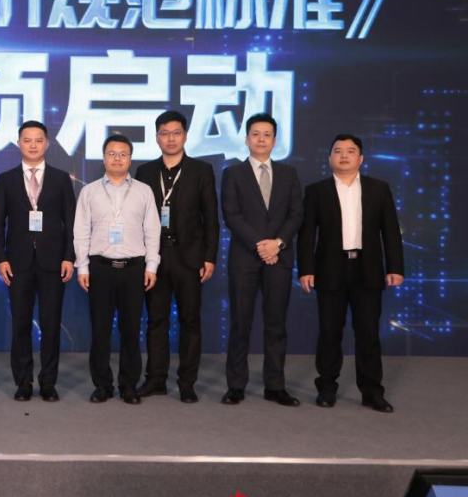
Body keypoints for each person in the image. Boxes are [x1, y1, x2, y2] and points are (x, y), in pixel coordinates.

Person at [298, 134, 403, 413]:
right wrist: (306, 269)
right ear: (330, 158)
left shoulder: (378, 189)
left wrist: (395, 267)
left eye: (350, 151)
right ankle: (326, 388)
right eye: (338, 151)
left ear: (361, 158)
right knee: (329, 332)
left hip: (367, 268)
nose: (344, 155)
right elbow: (307, 234)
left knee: (368, 332)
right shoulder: (317, 191)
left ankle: (372, 392)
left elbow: (390, 231)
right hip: (329, 268)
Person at [134, 111, 219, 404]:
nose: (170, 138)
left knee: (189, 321)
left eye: (176, 132)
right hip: (155, 257)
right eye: (164, 133)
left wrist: (209, 257)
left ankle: (187, 382)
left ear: (185, 135)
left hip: (189, 258)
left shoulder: (201, 170)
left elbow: (211, 218)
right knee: (156, 320)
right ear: (157, 137)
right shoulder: (145, 172)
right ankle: (156, 379)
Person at [220, 113, 304, 407]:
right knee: (240, 323)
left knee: (276, 324)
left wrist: (277, 244)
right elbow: (231, 215)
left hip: (279, 257)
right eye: (255, 134)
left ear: (275, 141)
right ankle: (236, 386)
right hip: (245, 258)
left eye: (267, 135)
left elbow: (296, 214)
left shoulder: (289, 174)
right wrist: (261, 244)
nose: (261, 139)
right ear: (246, 139)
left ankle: (275, 386)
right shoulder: (233, 174)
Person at [0, 121, 76, 402]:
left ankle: (48, 382)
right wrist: (1, 259)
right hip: (18, 263)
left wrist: (69, 257)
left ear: (47, 143)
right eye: (27, 140)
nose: (33, 145)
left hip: (53, 263)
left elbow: (71, 222)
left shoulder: (61, 179)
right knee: (21, 324)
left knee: (51, 325)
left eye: (38, 140)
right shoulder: (6, 179)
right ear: (19, 143)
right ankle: (24, 381)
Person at [73, 133, 160, 405]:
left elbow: (152, 230)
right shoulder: (89, 192)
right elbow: (81, 231)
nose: (117, 159)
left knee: (131, 330)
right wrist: (82, 266)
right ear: (104, 158)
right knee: (100, 330)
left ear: (130, 159)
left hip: (135, 269)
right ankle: (102, 385)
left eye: (123, 154)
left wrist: (152, 265)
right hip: (100, 268)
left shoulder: (144, 191)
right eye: (112, 154)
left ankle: (128, 384)